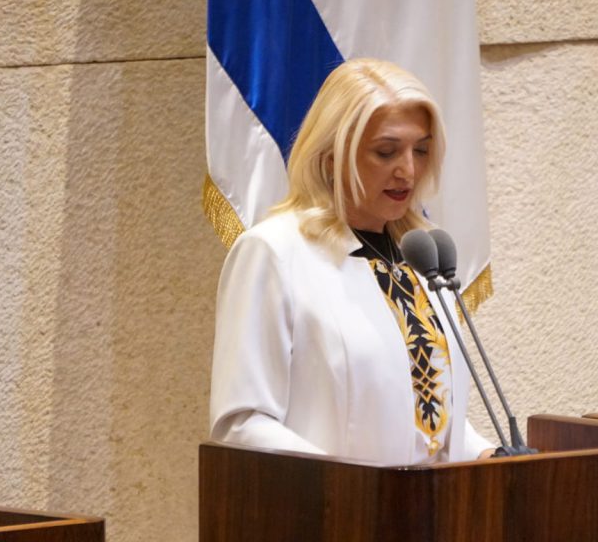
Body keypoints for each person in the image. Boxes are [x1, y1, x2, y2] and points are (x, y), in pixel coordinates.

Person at [209, 58, 494, 465]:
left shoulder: (422, 254)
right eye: (386, 152)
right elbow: (242, 423)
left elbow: (427, 417)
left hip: (434, 503)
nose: (408, 170)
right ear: (331, 156)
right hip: (331, 503)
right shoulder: (275, 252)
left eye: (421, 150)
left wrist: (488, 455)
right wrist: (356, 487)